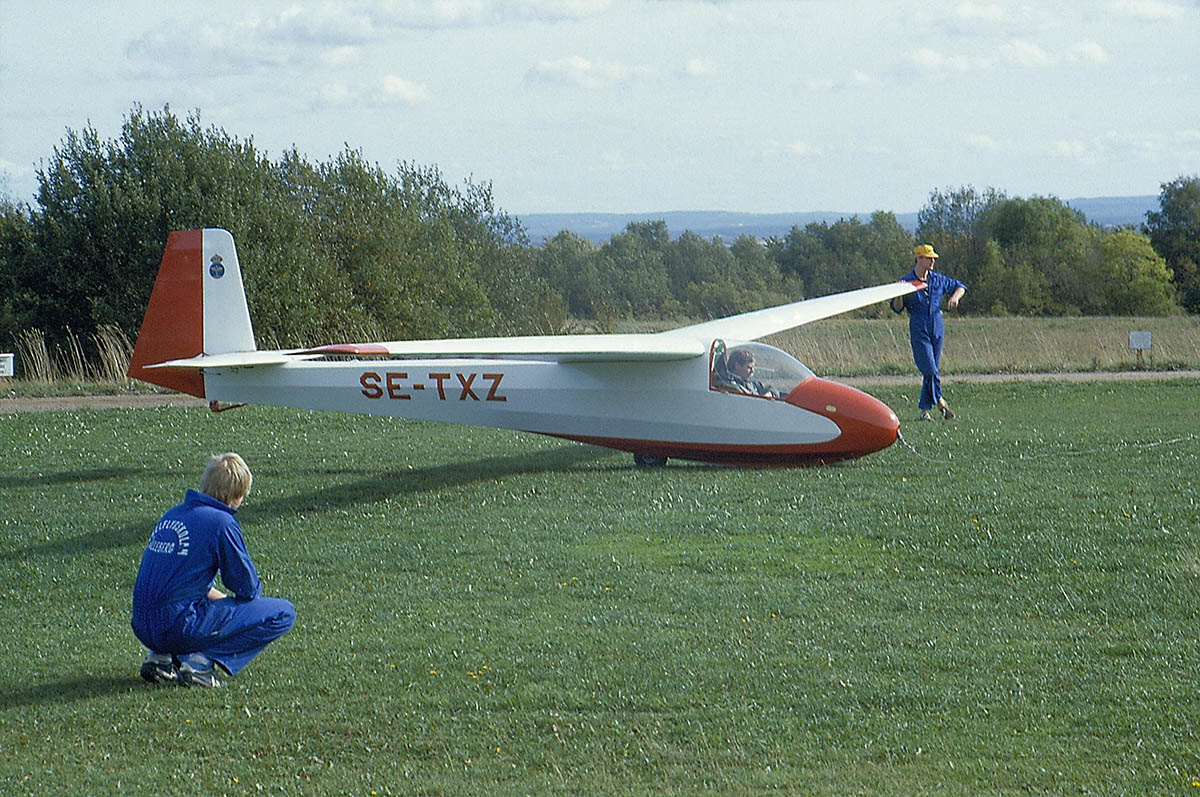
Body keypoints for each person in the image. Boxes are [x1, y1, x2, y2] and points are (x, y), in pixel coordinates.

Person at [132, 453, 295, 687]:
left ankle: (161, 659)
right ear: (237, 496)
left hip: (142, 624)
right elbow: (246, 587)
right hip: (177, 626)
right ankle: (201, 665)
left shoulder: (173, 514)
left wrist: (218, 602)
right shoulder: (222, 522)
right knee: (283, 613)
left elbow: (179, 580)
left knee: (189, 608)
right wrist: (234, 612)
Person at [892, 244, 967, 420]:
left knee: (932, 369)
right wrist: (899, 293)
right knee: (930, 368)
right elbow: (897, 308)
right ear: (918, 259)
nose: (933, 261)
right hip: (919, 325)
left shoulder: (937, 279)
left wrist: (955, 297)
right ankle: (941, 402)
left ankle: (924, 410)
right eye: (929, 258)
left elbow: (960, 286)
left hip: (937, 324)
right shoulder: (906, 281)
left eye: (933, 258)